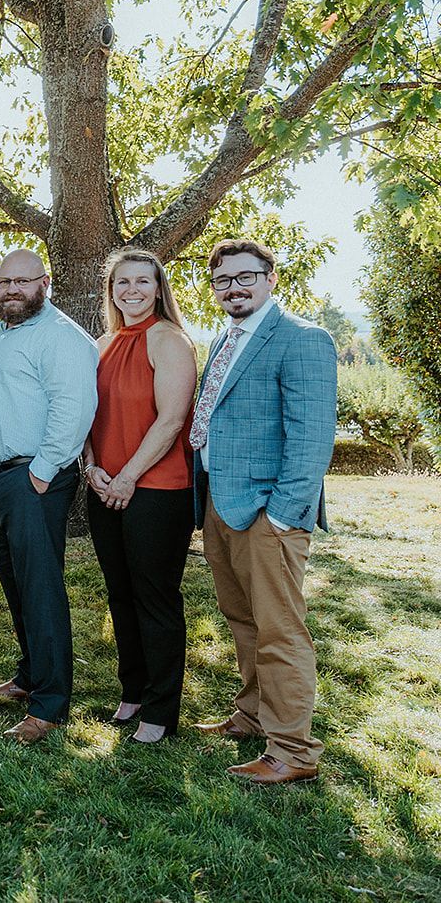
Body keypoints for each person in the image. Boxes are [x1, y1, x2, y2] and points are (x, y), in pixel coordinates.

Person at [190, 239, 336, 785]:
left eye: (245, 276)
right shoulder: (224, 340)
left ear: (271, 278)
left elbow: (312, 436)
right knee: (243, 620)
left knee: (280, 631)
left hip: (267, 514)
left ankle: (293, 751)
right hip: (220, 504)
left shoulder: (302, 339)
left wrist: (283, 514)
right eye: (223, 280)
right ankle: (252, 716)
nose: (235, 287)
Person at [0, 249, 98, 745]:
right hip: (2, 477)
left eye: (23, 281)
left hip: (34, 481)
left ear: (44, 282)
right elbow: (0, 402)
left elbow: (75, 406)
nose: (12, 289)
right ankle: (28, 677)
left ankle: (50, 705)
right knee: (17, 585)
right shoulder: (3, 332)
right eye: (5, 282)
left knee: (40, 590)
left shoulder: (60, 336)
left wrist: (41, 473)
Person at [81, 249, 197, 745]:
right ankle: (132, 692)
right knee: (120, 595)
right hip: (106, 485)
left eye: (142, 282)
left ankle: (161, 710)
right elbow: (84, 410)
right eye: (122, 282)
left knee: (155, 598)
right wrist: (91, 466)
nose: (131, 290)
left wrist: (127, 476)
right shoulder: (102, 343)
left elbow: (171, 420)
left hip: (156, 488)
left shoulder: (169, 341)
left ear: (158, 289)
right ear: (111, 290)